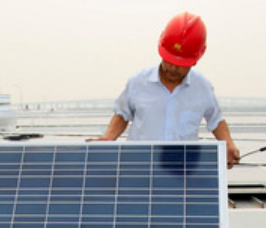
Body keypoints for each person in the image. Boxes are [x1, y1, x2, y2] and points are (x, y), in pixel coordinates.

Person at [92, 12, 241, 168]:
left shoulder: (203, 88)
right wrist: (108, 138)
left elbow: (216, 120)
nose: (173, 67)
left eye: (180, 63)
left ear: (196, 59)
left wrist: (228, 144)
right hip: (139, 169)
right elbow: (122, 114)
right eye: (169, 60)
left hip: (181, 172)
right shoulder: (137, 82)